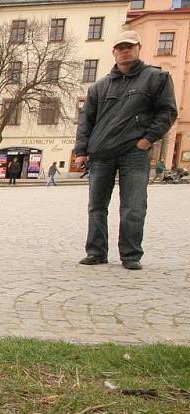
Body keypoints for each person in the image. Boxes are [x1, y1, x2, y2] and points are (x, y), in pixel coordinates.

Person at [74, 30, 177, 270]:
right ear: (114, 52)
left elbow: (167, 112)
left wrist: (148, 139)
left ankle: (131, 255)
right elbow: (86, 120)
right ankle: (96, 251)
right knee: (97, 206)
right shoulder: (100, 87)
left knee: (133, 206)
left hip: (134, 152)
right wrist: (81, 151)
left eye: (129, 46)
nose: (125, 51)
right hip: (101, 153)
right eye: (120, 47)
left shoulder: (156, 78)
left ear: (138, 48)